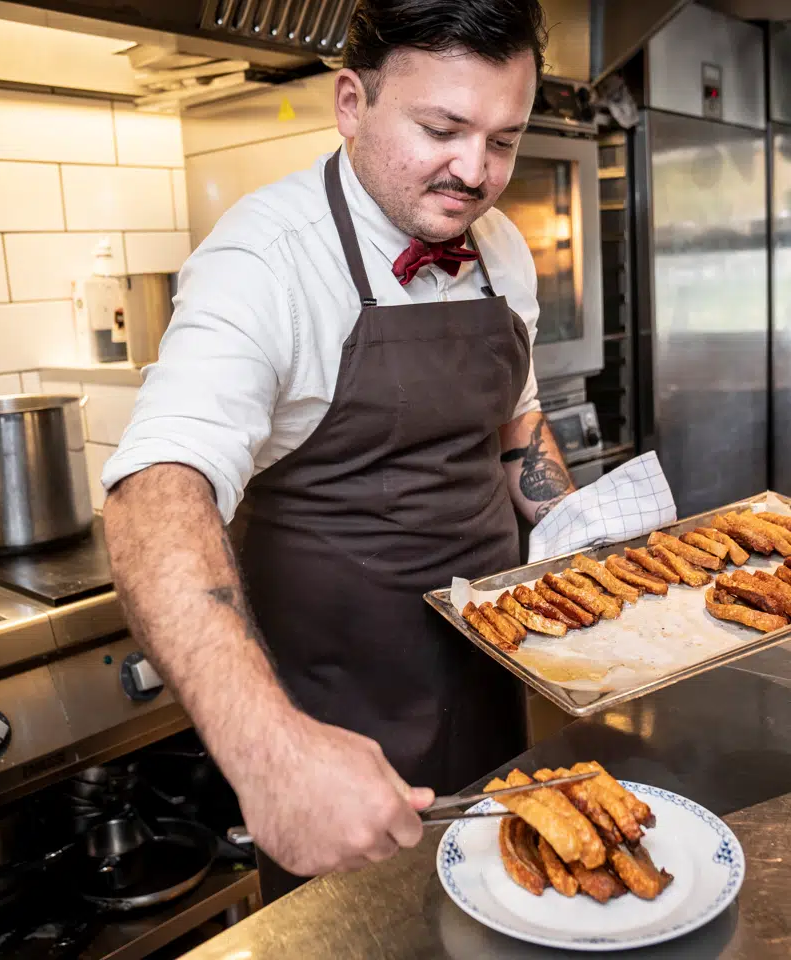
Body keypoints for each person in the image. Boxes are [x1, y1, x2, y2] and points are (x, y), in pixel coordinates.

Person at [100, 0, 574, 904]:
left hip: (494, 689)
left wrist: (594, 555)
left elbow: (516, 422)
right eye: (442, 129)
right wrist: (271, 756)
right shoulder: (265, 259)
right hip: (338, 737)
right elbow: (151, 493)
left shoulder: (503, 248)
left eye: (504, 141)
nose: (475, 172)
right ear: (351, 102)